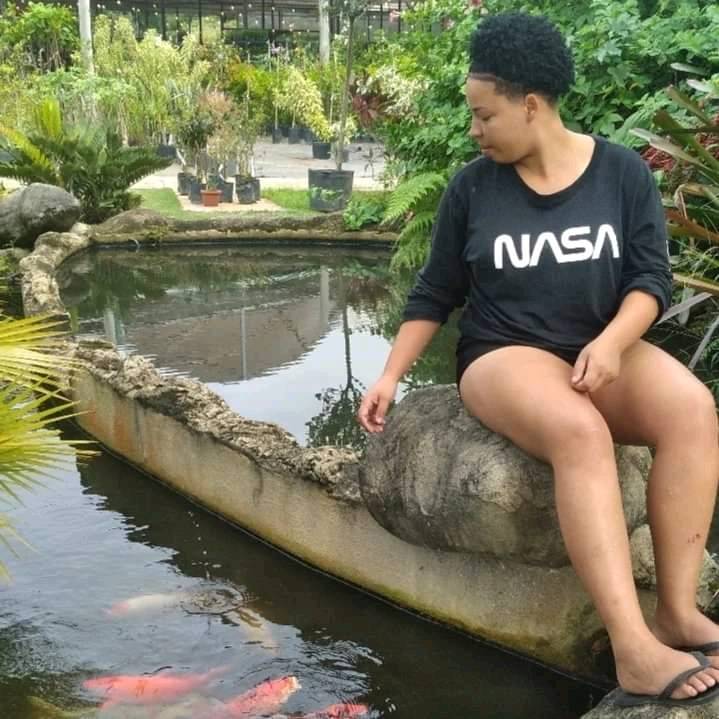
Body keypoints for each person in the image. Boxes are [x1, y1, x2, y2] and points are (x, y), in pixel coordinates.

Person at [356, 11, 719, 709]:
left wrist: (612, 342)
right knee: (579, 431)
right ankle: (632, 648)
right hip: (504, 355)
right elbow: (434, 292)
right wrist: (391, 374)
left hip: (598, 346)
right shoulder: (472, 189)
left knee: (692, 409)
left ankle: (675, 612)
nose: (473, 129)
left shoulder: (621, 174)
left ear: (529, 104)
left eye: (483, 114)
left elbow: (650, 281)